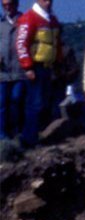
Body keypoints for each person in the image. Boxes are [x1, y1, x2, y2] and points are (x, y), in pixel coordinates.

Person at [12, 0, 59, 147]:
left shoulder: (52, 19)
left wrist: (56, 65)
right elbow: (21, 44)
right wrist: (28, 67)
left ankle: (37, 135)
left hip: (47, 67)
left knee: (44, 104)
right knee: (34, 104)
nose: (48, 2)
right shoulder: (29, 18)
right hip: (36, 67)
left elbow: (56, 43)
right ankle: (29, 139)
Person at [1, 1, 21, 141]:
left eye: (10, 4)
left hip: (20, 71)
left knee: (16, 100)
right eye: (4, 5)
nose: (8, 7)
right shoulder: (0, 23)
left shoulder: (24, 21)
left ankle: (16, 131)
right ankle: (2, 136)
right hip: (2, 72)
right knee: (1, 104)